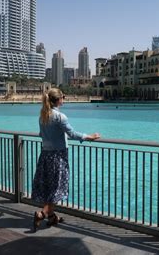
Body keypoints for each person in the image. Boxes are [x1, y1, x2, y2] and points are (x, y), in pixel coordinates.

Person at [32, 88, 100, 231]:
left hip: (45, 155)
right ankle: (42, 214)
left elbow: (43, 134)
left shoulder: (43, 116)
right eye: (63, 96)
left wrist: (58, 136)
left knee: (49, 187)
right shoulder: (60, 116)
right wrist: (89, 137)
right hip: (58, 157)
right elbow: (72, 133)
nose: (64, 99)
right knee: (56, 188)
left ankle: (52, 217)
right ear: (58, 100)